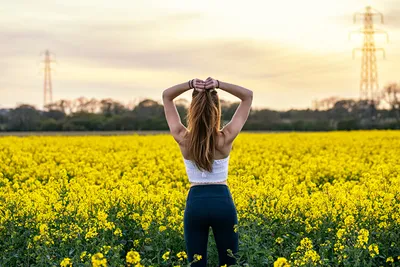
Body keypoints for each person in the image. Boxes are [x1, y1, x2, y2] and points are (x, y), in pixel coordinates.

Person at [162, 77, 253, 266]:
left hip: (196, 204)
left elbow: (167, 96)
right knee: (229, 262)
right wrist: (218, 84)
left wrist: (190, 84)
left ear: (192, 111)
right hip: (223, 203)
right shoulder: (225, 138)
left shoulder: (182, 138)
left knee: (196, 264)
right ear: (217, 110)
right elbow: (247, 96)